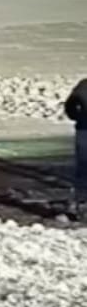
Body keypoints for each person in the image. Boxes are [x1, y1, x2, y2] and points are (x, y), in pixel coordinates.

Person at [65, 78, 87, 215]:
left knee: (83, 167)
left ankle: (79, 202)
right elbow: (71, 105)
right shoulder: (84, 86)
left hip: (84, 128)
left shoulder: (83, 85)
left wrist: (78, 117)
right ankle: (79, 202)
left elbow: (70, 105)